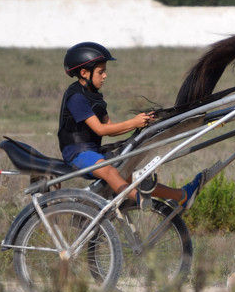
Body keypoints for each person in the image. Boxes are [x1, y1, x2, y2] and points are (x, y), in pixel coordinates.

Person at [58, 41, 202, 210]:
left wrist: (142, 121)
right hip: (77, 153)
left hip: (92, 151)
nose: (105, 76)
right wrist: (134, 122)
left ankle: (182, 196)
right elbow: (100, 129)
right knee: (111, 172)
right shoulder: (77, 98)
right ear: (84, 73)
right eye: (101, 72)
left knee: (129, 175)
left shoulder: (94, 96)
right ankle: (138, 198)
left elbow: (110, 127)